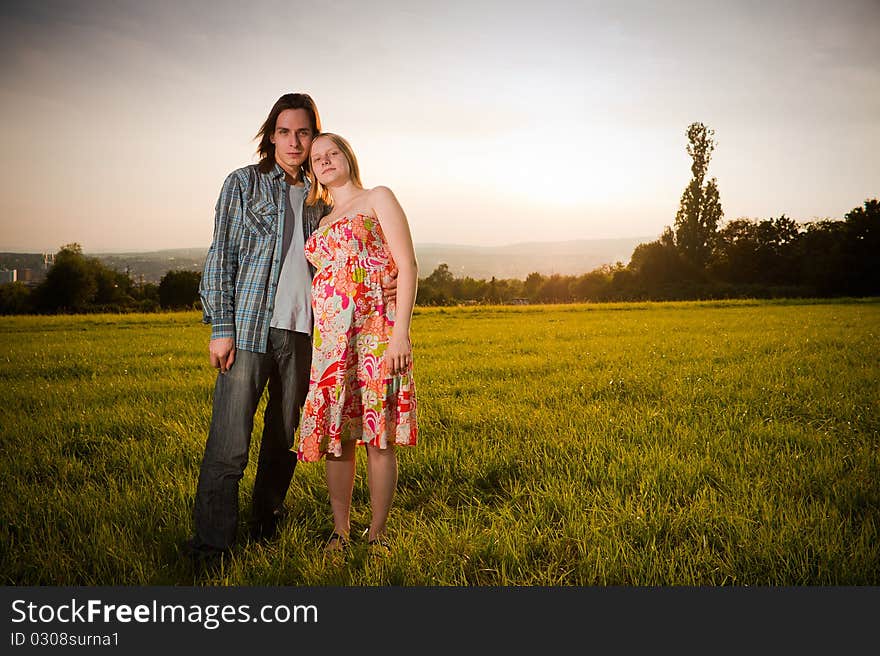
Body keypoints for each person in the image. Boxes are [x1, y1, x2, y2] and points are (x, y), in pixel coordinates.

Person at [185, 94, 395, 562]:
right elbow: (221, 257)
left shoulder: (323, 198)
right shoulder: (243, 184)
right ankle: (211, 546)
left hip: (308, 337)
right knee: (230, 442)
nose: (295, 141)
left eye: (304, 132)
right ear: (271, 135)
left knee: (286, 441)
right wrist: (222, 327)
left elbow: (355, 254)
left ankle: (264, 528)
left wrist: (392, 282)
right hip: (250, 328)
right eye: (285, 132)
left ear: (315, 137)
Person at [295, 133, 418, 554]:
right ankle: (340, 530)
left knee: (377, 435)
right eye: (317, 158)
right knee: (338, 435)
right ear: (311, 170)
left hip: (376, 335)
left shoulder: (377, 197)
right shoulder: (322, 219)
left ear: (348, 157)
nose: (325, 161)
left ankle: (378, 534)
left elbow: (407, 264)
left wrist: (400, 331)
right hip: (330, 344)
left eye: (333, 153)